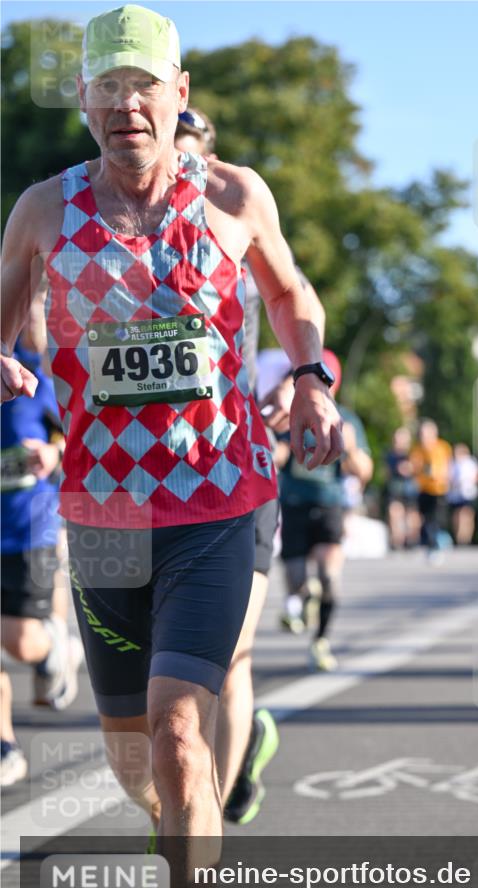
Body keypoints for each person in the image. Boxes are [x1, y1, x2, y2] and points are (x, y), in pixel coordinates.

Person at [0, 7, 342, 888]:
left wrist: (310, 376)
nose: (127, 106)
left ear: (178, 94)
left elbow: (291, 294)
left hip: (218, 502)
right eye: (107, 87)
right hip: (103, 517)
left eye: (144, 86)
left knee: (180, 734)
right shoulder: (42, 211)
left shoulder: (234, 194)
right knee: (135, 763)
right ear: (83, 101)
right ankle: (186, 820)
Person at [174, 106, 324, 825]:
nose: (178, 166)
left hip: (236, 465)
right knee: (156, 679)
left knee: (226, 655)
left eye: (190, 153)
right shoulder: (108, 229)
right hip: (141, 480)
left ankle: (193, 830)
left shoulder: (232, 217)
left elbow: (298, 305)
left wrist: (301, 384)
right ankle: (200, 791)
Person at [1, 336, 82, 786]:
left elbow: (78, 432)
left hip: (27, 531)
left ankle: (55, 645)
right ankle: (5, 745)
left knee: (20, 642)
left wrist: (55, 452)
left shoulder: (31, 372)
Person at [275, 349, 373, 670]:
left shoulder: (347, 418)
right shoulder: (291, 412)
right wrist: (277, 450)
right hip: (294, 504)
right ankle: (306, 598)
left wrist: (352, 450)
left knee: (330, 576)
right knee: (296, 580)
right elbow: (275, 455)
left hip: (329, 504)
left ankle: (321, 640)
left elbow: (365, 471)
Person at [410, 419, 452, 561]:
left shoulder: (442, 447)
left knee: (436, 518)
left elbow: (446, 467)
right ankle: (428, 543)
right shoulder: (417, 450)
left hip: (438, 489)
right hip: (423, 488)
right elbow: (414, 467)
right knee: (425, 518)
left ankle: (435, 545)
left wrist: (441, 476)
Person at [383, 427, 420, 550]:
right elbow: (386, 473)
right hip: (395, 488)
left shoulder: (413, 453)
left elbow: (417, 469)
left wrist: (409, 468)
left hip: (409, 488)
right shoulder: (389, 455)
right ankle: (397, 540)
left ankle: (411, 540)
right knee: (394, 512)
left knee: (411, 514)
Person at [447, 443, 478, 546]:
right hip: (455, 494)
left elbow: (475, 477)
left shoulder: (470, 463)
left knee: (466, 514)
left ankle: (466, 538)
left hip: (468, 493)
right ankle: (458, 537)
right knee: (457, 515)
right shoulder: (452, 464)